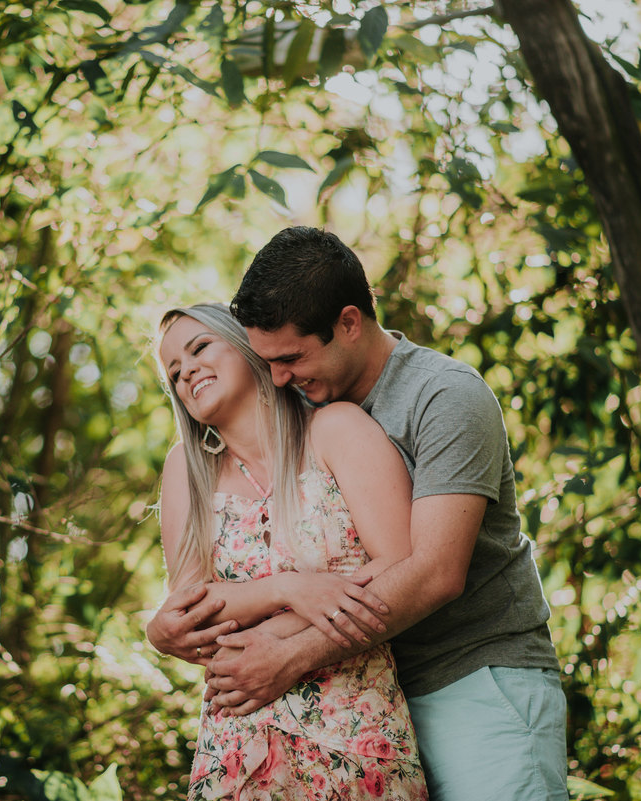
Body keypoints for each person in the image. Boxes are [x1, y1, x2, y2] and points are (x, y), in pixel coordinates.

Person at [152, 227, 567, 801]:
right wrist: (165, 628)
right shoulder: (300, 403)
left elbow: (432, 573)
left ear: (349, 322)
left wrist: (286, 652)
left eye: (291, 358)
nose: (279, 377)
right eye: (268, 361)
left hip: (473, 676)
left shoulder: (444, 396)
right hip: (370, 687)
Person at [151, 302, 428, 800]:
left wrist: (274, 635)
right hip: (241, 737)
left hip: (355, 725)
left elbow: (404, 563)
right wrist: (290, 589)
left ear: (247, 348)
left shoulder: (336, 429)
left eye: (198, 348)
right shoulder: (185, 472)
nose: (186, 370)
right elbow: (194, 609)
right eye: (174, 371)